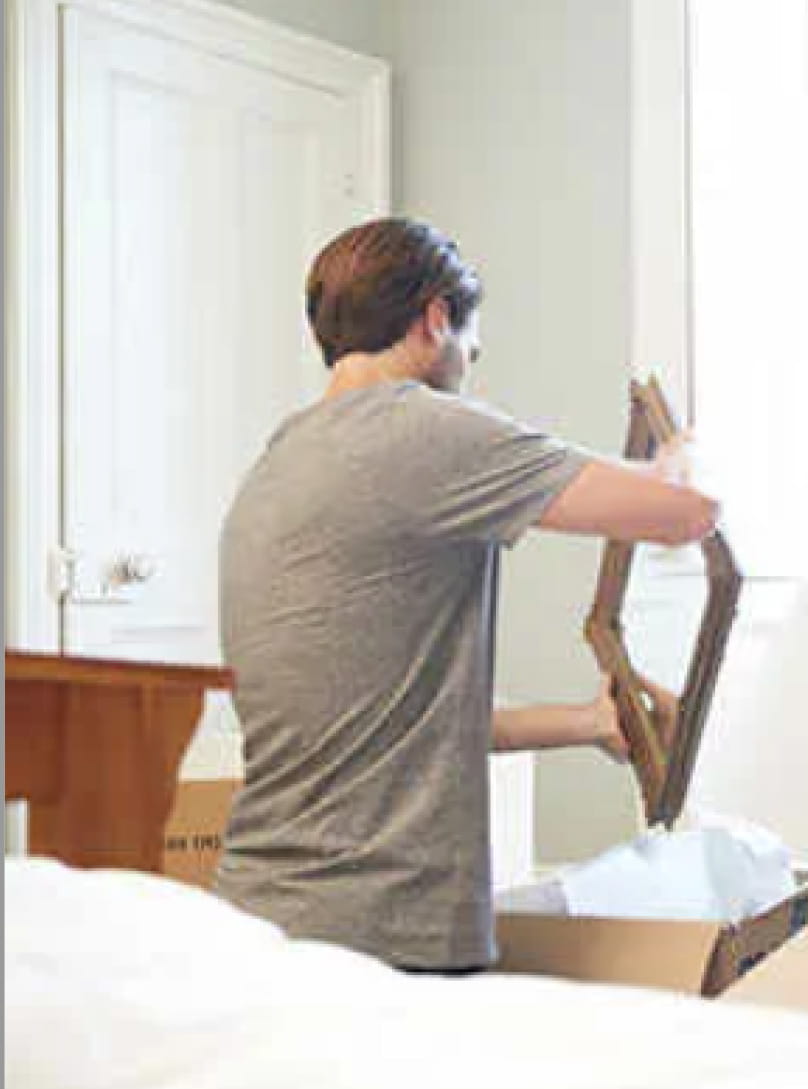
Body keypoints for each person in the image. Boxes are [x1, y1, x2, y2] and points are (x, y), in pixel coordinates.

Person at [214, 217, 719, 973]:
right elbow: (684, 512)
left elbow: (386, 724)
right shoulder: (424, 429)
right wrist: (679, 448)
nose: (471, 361)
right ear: (435, 319)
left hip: (267, 922)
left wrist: (588, 722)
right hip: (382, 935)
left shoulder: (281, 458)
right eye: (469, 340)